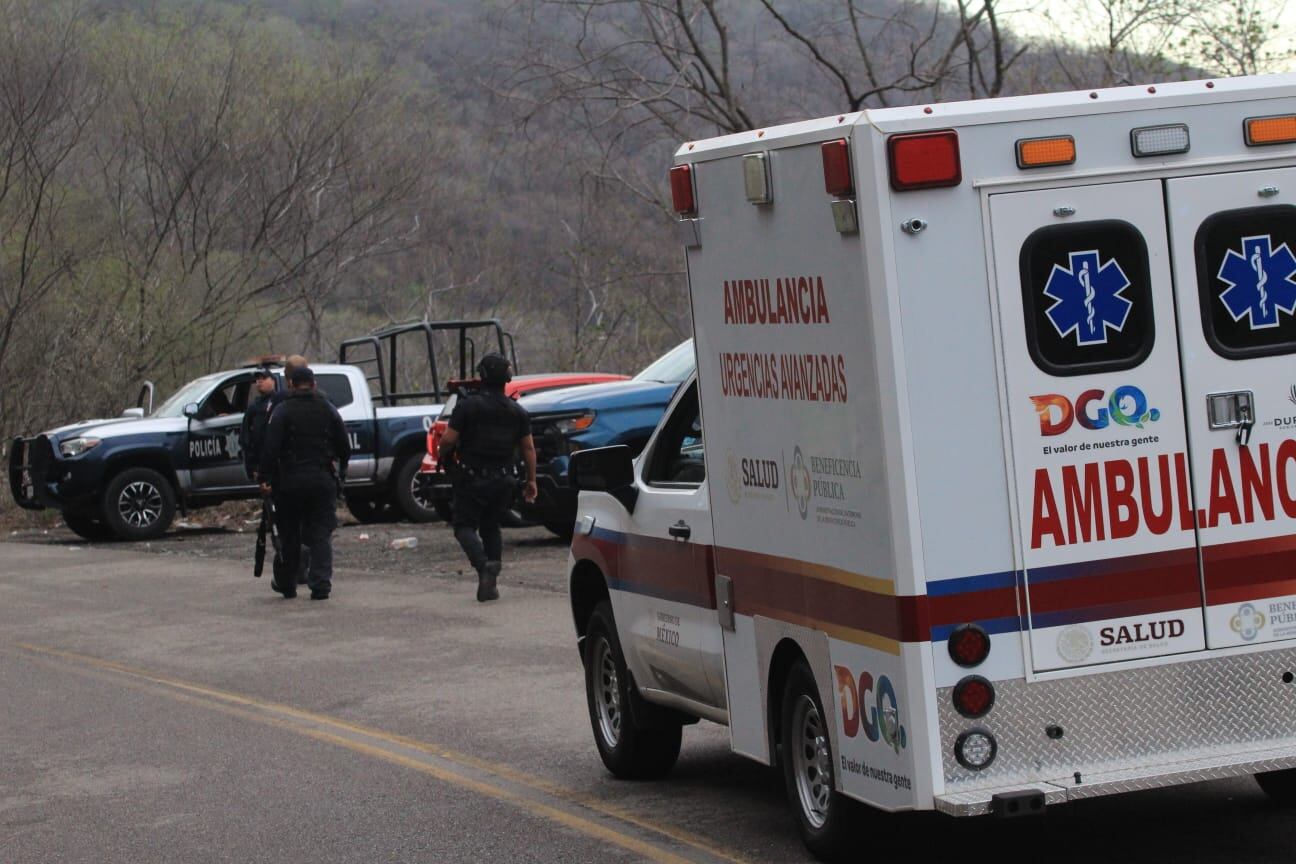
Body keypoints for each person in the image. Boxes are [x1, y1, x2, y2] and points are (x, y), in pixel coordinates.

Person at [437, 353, 537, 602]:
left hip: (472, 479)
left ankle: (484, 566)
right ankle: (490, 581)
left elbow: (448, 440)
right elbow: (528, 449)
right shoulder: (518, 411)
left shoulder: (468, 406)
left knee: (464, 526)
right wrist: (531, 481)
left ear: (481, 376)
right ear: (507, 377)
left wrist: (444, 455)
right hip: (504, 481)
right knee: (491, 526)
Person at [258, 366, 350, 600]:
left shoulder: (282, 411)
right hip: (321, 480)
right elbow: (344, 445)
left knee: (289, 533)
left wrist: (265, 478)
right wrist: (341, 471)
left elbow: (270, 449)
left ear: (290, 385)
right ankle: (320, 585)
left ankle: (287, 584)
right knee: (321, 533)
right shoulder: (328, 409)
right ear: (314, 384)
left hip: (289, 481)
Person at [239, 368, 282, 481]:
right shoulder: (254, 406)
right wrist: (251, 467)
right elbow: (246, 437)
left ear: (273, 381)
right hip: (261, 461)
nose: (259, 381)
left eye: (263, 378)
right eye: (257, 379)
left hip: (279, 461)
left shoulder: (280, 401)